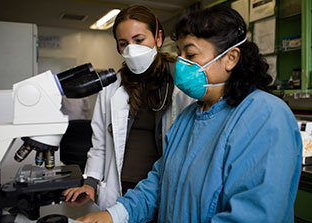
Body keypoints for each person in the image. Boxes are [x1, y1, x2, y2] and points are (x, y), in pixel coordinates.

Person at [76, 6, 303, 223]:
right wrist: (115, 215)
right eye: (179, 53)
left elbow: (253, 215)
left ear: (230, 58)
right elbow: (158, 182)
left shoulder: (265, 116)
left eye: (191, 55)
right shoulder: (188, 117)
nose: (181, 63)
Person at [63, 5, 194, 210]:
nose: (131, 49)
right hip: (121, 189)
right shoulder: (112, 87)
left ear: (158, 38)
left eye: (139, 40)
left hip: (162, 191)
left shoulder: (181, 82)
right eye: (124, 43)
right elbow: (100, 144)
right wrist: (90, 183)